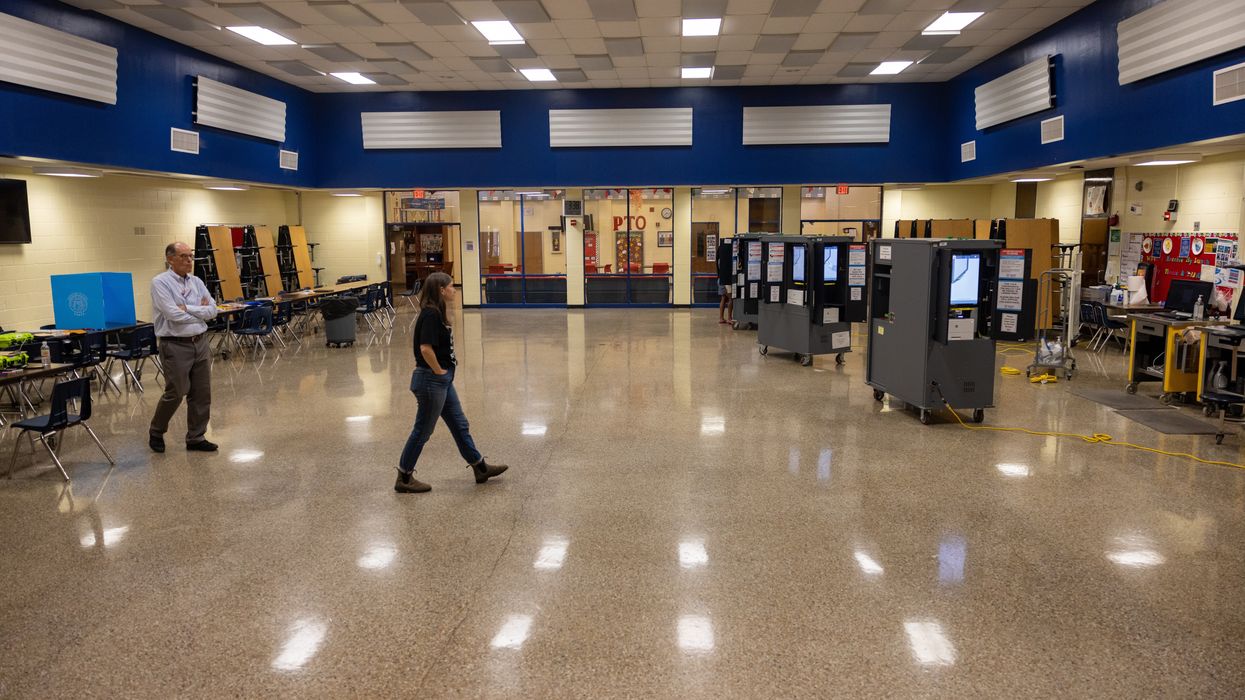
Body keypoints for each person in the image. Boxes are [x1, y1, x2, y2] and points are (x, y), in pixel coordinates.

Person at [395, 272, 507, 493]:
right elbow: (425, 349)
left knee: (459, 424)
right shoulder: (430, 314)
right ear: (441, 290)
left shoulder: (437, 312)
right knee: (423, 431)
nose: (454, 290)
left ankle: (479, 467)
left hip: (441, 381)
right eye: (451, 286)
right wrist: (438, 371)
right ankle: (404, 477)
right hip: (431, 380)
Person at [149, 242, 219, 453]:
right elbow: (173, 315)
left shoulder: (196, 282)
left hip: (200, 341)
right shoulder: (160, 283)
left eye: (191, 256)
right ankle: (156, 430)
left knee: (201, 393)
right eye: (183, 256)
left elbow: (213, 310)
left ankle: (196, 437)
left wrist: (188, 307)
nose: (189, 260)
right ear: (170, 259)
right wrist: (200, 312)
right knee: (176, 392)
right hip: (175, 344)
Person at [716, 239, 734, 325]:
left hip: (721, 279)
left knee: (723, 298)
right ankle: (730, 318)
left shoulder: (719, 259)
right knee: (731, 298)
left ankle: (721, 318)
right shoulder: (724, 260)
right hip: (726, 281)